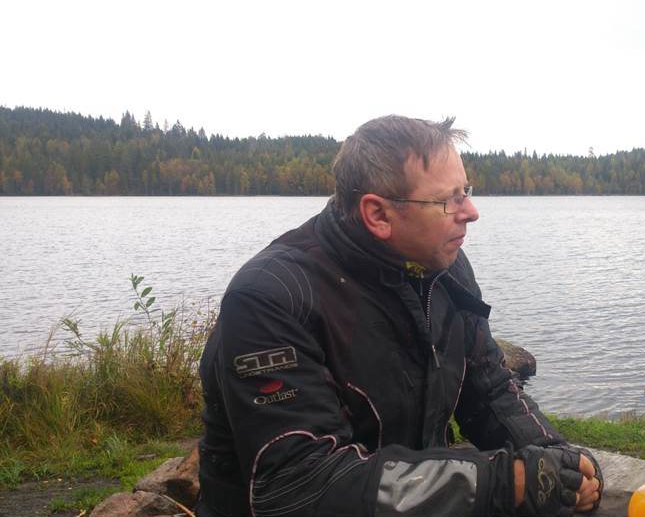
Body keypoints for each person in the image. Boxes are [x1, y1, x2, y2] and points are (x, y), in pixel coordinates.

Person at [197, 115, 603, 517]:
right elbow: (299, 484)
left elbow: (489, 388)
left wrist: (558, 460)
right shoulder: (271, 299)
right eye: (449, 200)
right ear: (378, 215)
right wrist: (508, 482)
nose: (471, 211)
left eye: (466, 191)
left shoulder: (444, 268)